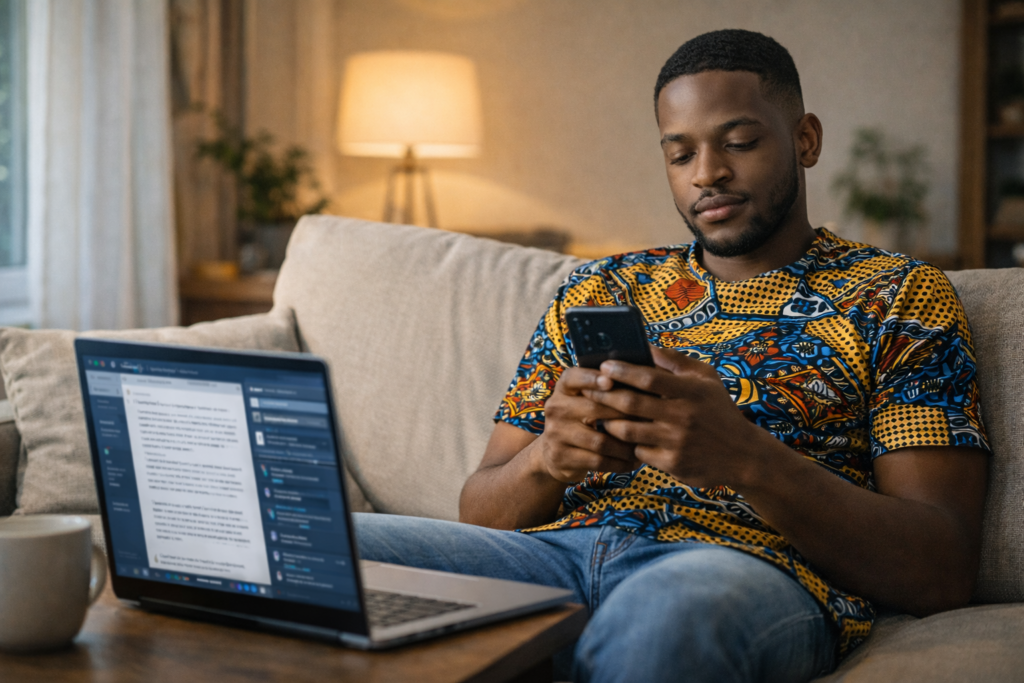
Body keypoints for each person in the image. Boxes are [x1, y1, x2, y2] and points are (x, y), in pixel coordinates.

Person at [355, 29, 990, 683]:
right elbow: (480, 511)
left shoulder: (898, 295)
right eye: (680, 153)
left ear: (805, 140)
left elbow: (940, 568)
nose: (706, 173)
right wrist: (547, 460)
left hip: (740, 569)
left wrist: (746, 458)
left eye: (739, 143)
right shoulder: (602, 288)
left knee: (668, 617)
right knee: (331, 551)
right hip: (556, 560)